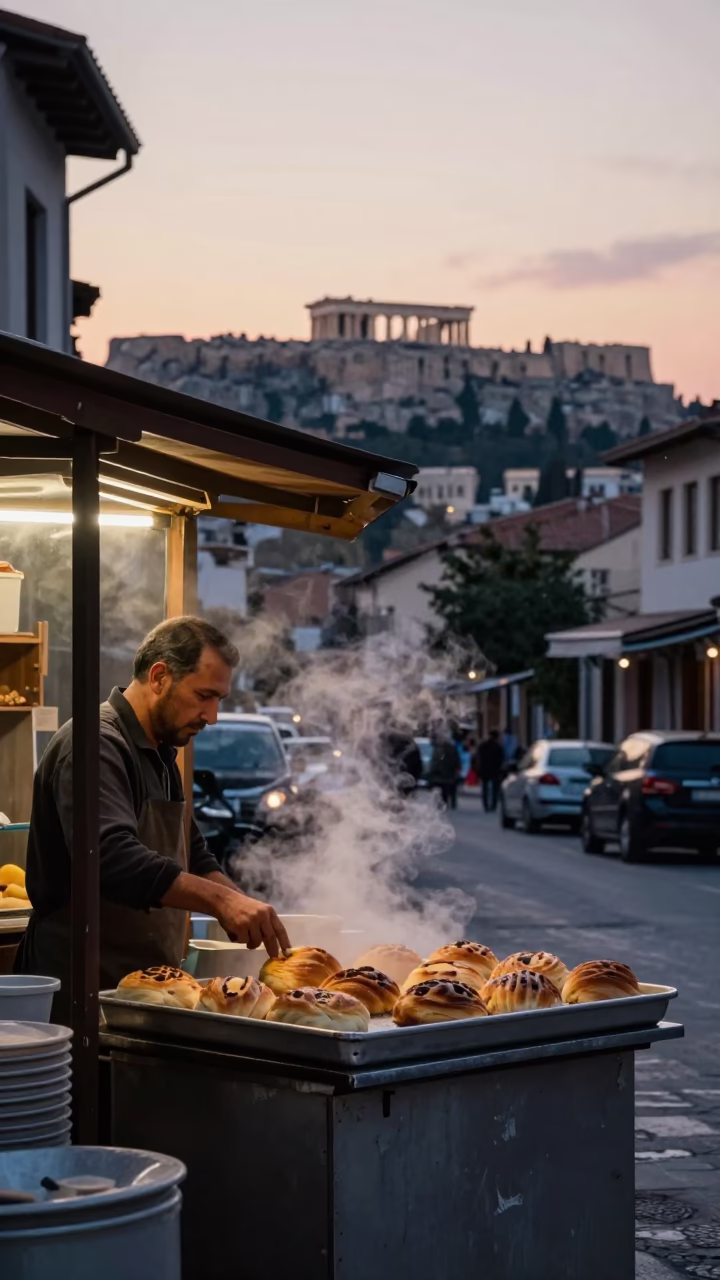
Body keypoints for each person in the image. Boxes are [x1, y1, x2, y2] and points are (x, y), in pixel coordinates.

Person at [15, 616, 290, 1023]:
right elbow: (112, 858)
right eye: (203, 696)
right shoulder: (95, 745)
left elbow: (191, 851)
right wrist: (221, 902)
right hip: (80, 989)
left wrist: (240, 903)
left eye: (219, 700)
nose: (212, 716)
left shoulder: (161, 753)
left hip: (145, 988)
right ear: (159, 676)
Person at [428, 732, 462, 810]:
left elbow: (438, 761)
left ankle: (440, 805)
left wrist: (433, 771)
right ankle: (444, 804)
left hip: (440, 774)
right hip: (447, 775)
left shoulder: (440, 749)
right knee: (445, 792)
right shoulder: (451, 748)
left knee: (439, 791)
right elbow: (456, 760)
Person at [475, 729, 505, 813]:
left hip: (485, 769)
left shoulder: (483, 745)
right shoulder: (498, 746)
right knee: (495, 789)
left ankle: (486, 806)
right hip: (495, 770)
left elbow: (478, 757)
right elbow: (501, 759)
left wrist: (478, 768)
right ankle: (493, 805)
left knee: (485, 788)